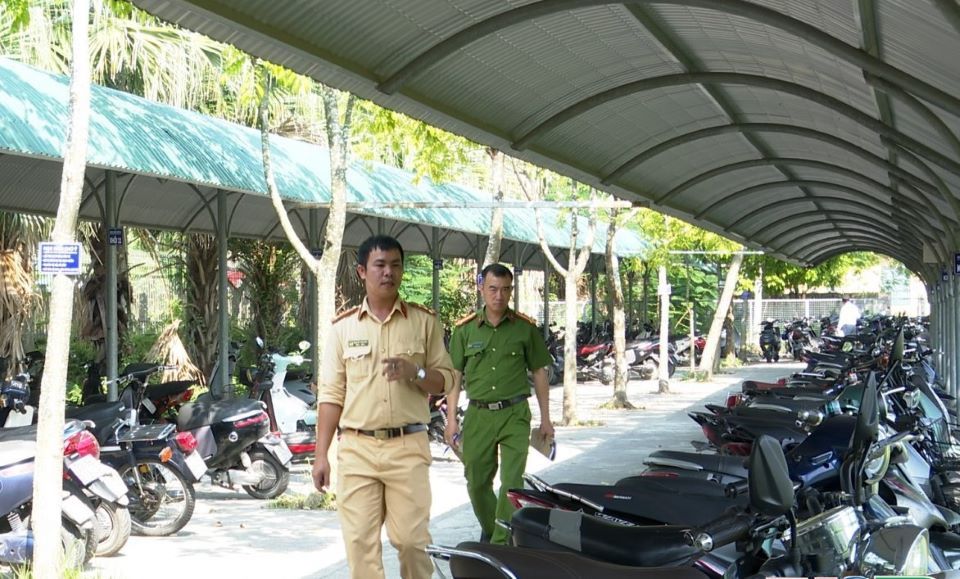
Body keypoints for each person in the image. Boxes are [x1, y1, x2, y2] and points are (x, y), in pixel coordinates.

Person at [312, 235, 454, 579]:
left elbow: (446, 380)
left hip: (408, 447)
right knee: (360, 545)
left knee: (410, 542)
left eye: (395, 265)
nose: (388, 272)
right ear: (362, 271)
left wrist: (415, 371)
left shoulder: (424, 322)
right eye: (379, 265)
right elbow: (331, 395)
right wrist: (320, 456)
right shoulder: (343, 329)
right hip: (358, 449)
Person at [445, 263, 554, 545]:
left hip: (515, 413)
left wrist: (546, 419)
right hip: (478, 415)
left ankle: (500, 544)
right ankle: (497, 531)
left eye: (505, 290)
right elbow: (454, 376)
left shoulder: (525, 329)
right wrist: (451, 420)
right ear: (481, 289)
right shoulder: (464, 331)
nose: (499, 296)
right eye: (493, 289)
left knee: (511, 482)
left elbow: (540, 373)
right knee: (477, 482)